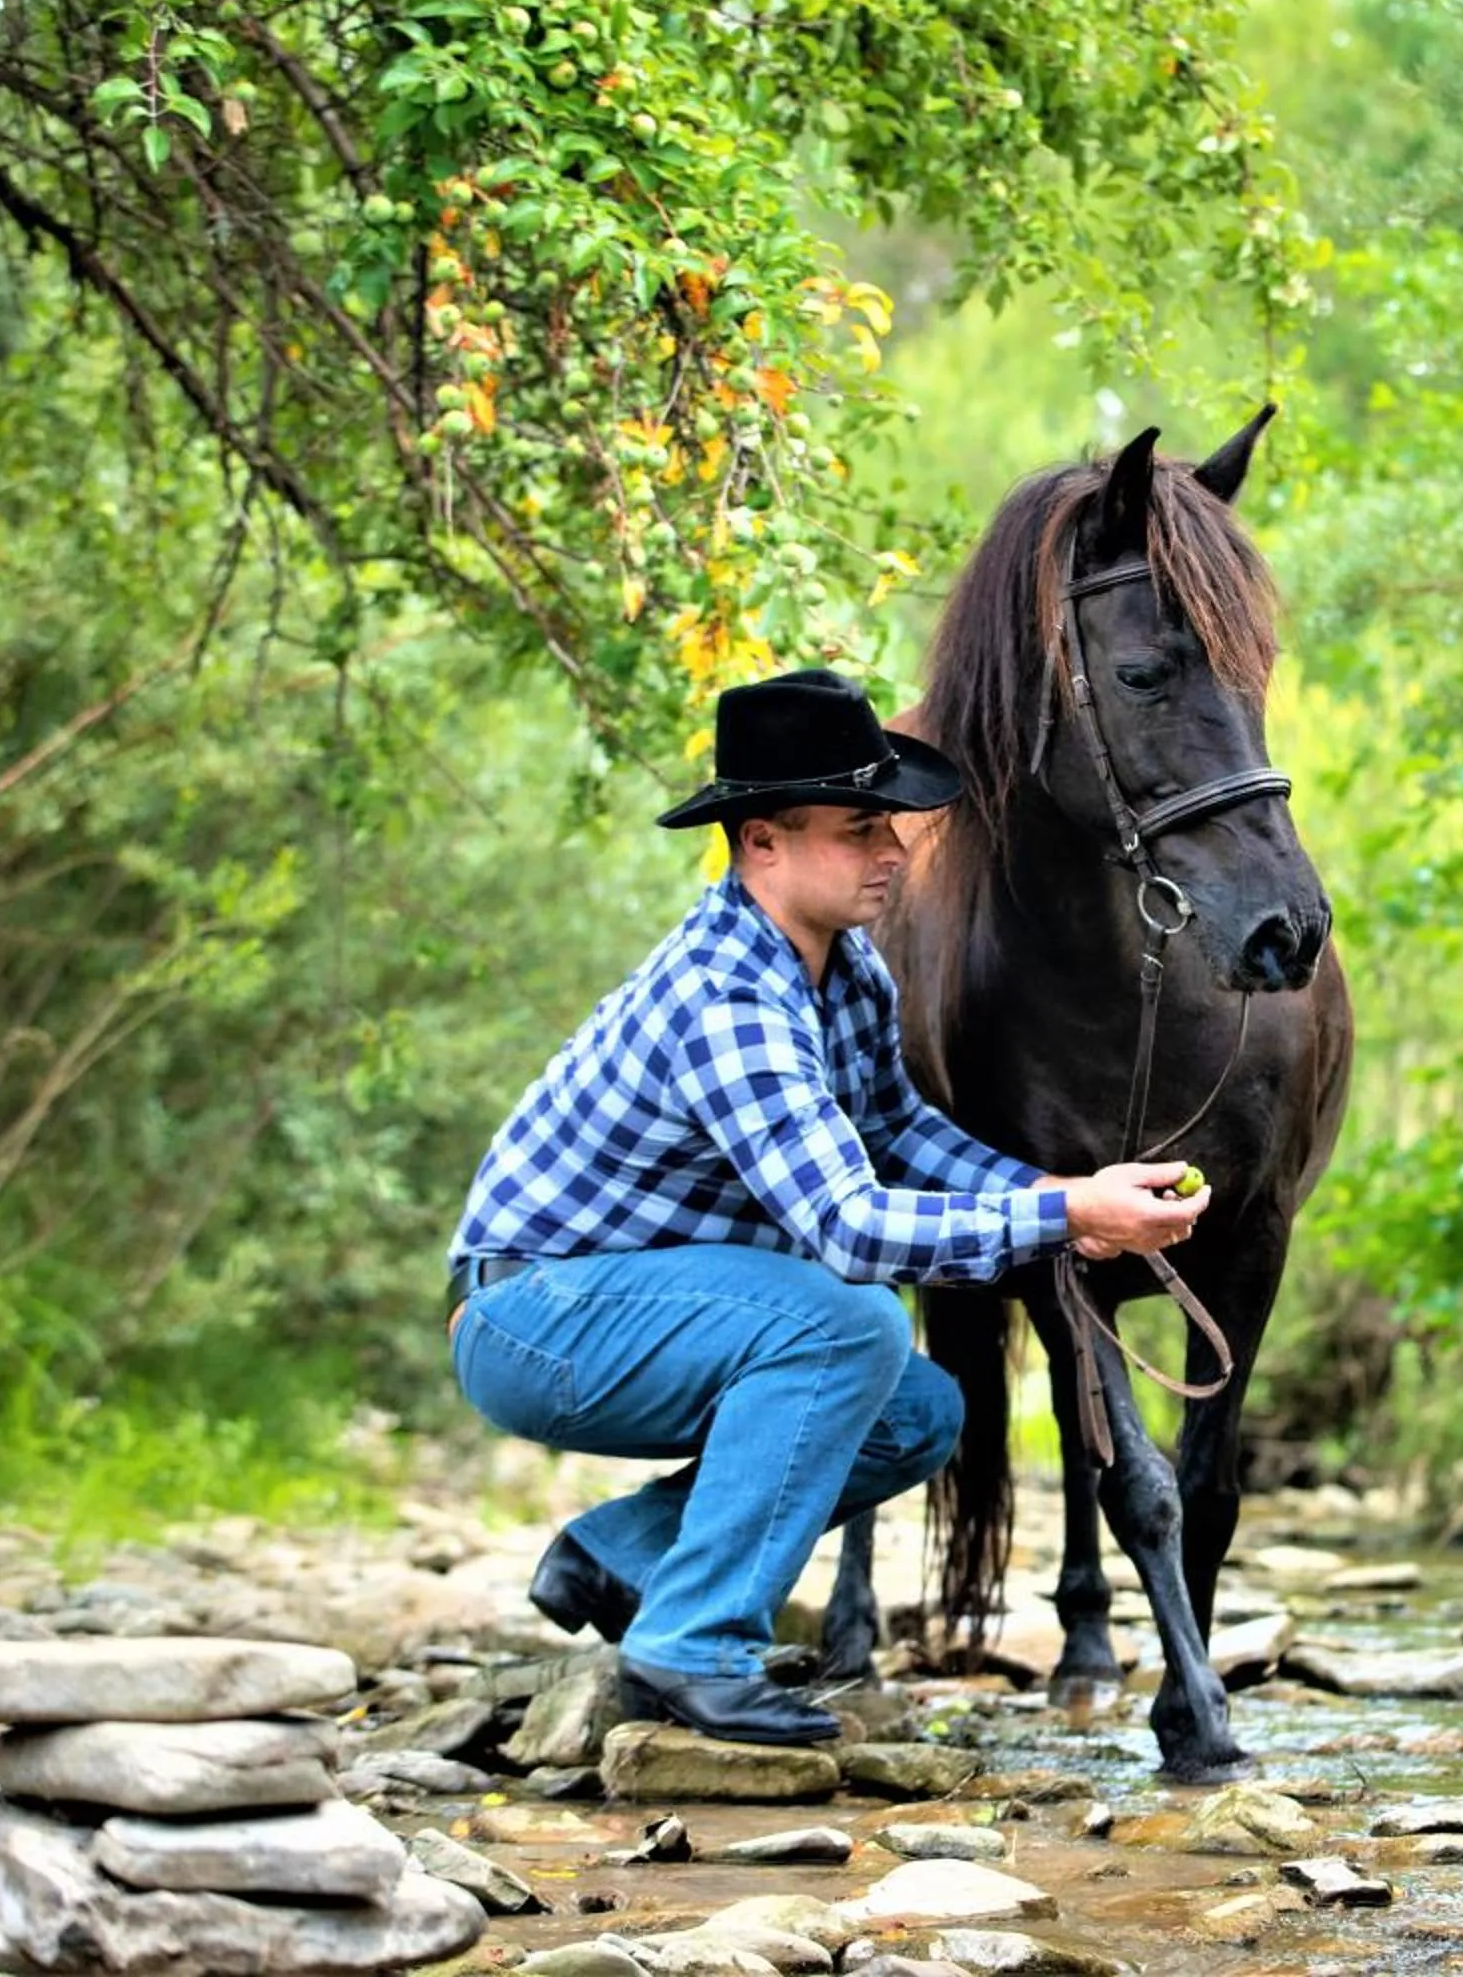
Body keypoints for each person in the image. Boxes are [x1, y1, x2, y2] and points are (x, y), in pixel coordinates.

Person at [447, 667, 1209, 1744]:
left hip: (628, 1307)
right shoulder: (729, 995)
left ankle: (622, 1558)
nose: (895, 851)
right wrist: (1065, 1213)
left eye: (889, 824)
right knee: (850, 1320)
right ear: (762, 841)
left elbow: (899, 1130)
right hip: (532, 1321)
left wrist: (1059, 1194)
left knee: (918, 1409)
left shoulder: (843, 969)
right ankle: (692, 1651)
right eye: (860, 827)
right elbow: (850, 1227)